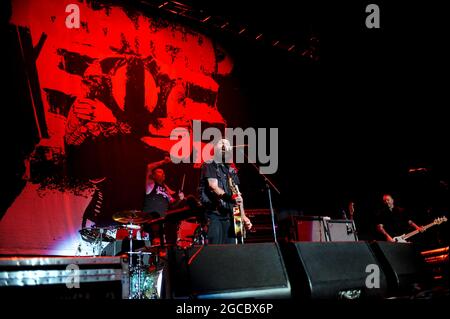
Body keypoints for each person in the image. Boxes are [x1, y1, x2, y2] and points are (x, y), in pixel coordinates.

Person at [198, 139, 252, 244]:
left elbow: (237, 195)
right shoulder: (209, 164)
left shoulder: (231, 171)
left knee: (230, 251)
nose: (224, 147)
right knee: (215, 249)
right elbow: (213, 186)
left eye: (227, 146)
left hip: (229, 215)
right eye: (221, 145)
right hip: (213, 214)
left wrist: (243, 216)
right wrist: (230, 198)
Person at [142, 156, 185, 245]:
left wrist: (179, 199)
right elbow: (149, 167)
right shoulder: (151, 184)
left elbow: (173, 204)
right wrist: (163, 162)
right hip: (153, 222)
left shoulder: (165, 190)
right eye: (159, 171)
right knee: (157, 245)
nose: (163, 173)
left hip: (164, 223)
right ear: (153, 175)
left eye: (163, 172)